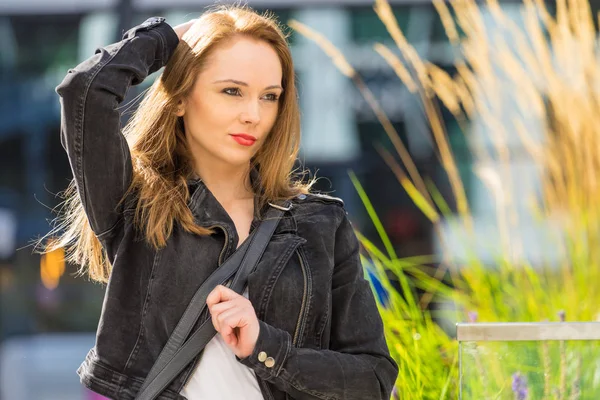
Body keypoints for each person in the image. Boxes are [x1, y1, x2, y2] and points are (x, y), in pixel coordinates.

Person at [47, 5, 398, 400]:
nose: (253, 115)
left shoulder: (320, 223)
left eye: (270, 97)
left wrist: (266, 348)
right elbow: (85, 92)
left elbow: (374, 378)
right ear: (180, 97)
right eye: (232, 91)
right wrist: (164, 39)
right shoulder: (136, 202)